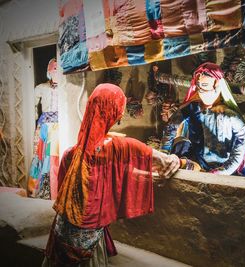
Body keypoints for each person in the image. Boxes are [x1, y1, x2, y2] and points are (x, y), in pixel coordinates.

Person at [42, 83, 180, 266]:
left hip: (61, 234)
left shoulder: (70, 154)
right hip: (88, 245)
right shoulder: (119, 147)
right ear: (115, 113)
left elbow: (61, 192)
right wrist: (179, 159)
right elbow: (166, 161)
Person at [160, 62, 245, 178]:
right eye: (198, 86)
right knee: (179, 150)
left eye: (205, 85)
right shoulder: (192, 107)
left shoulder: (230, 115)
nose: (201, 91)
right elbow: (171, 126)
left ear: (218, 86)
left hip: (226, 168)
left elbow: (242, 142)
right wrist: (163, 154)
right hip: (197, 163)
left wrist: (223, 171)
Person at [28, 58, 59, 199]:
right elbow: (32, 104)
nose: (56, 73)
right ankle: (38, 189)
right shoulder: (40, 88)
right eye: (54, 70)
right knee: (40, 155)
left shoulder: (64, 88)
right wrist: (35, 117)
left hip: (59, 126)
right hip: (45, 127)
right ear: (49, 72)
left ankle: (55, 190)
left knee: (53, 157)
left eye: (58, 70)